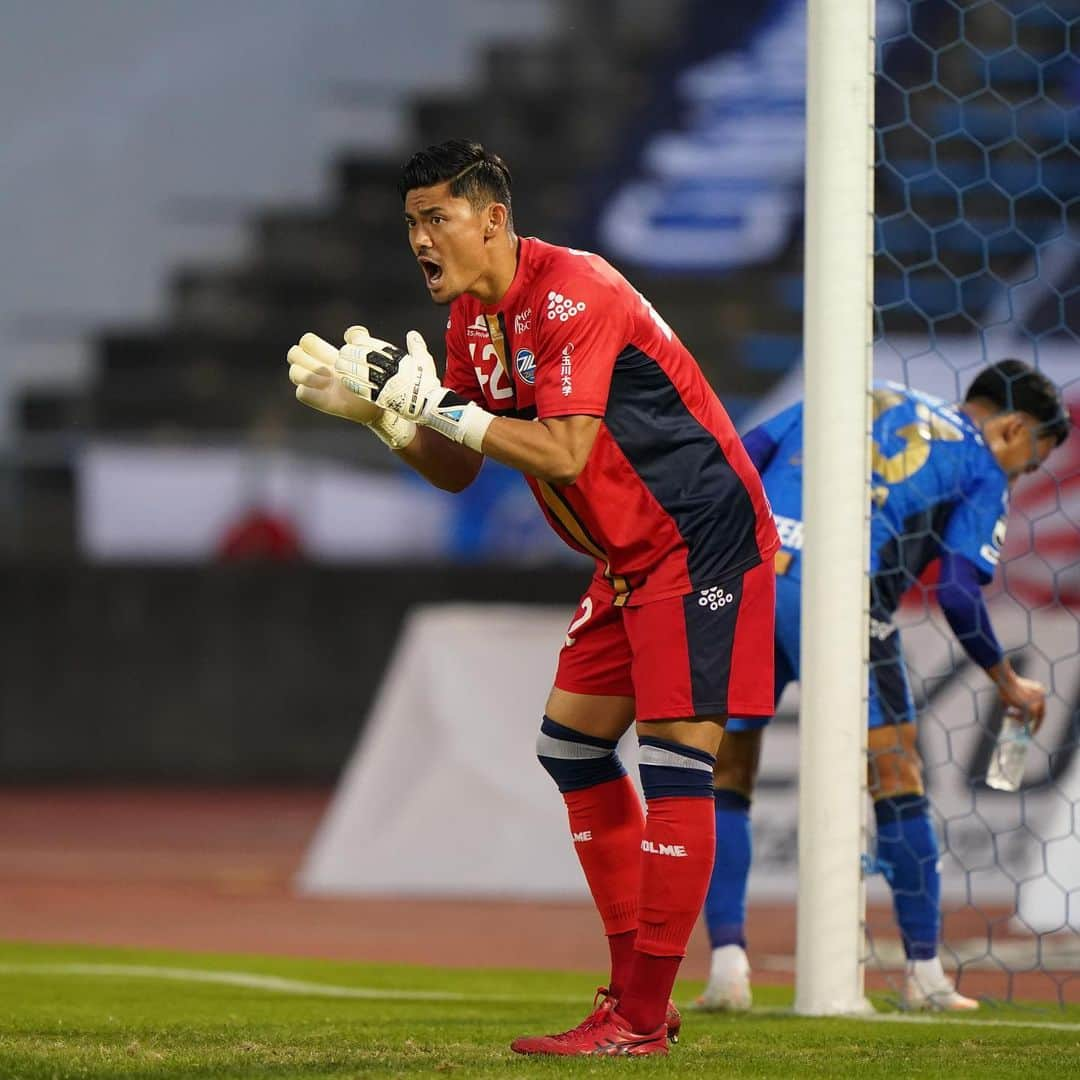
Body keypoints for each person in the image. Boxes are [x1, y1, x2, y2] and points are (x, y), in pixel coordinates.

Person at [286, 139, 779, 1055]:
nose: (421, 241)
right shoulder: (473, 322)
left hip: (697, 540)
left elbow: (561, 453)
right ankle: (638, 997)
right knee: (573, 749)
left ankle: (638, 1017)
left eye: (437, 219)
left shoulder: (575, 293)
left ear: (492, 220)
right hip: (625, 558)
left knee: (676, 765)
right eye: (410, 224)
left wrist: (432, 405)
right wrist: (384, 419)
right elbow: (459, 469)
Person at [697, 361, 1070, 1013]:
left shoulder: (857, 395)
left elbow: (740, 455)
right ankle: (925, 977)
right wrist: (1005, 678)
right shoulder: (980, 462)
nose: (1020, 475)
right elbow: (955, 590)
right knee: (898, 779)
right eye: (1030, 461)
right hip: (843, 599)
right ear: (1013, 428)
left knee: (728, 773)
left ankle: (727, 967)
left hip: (750, 581)